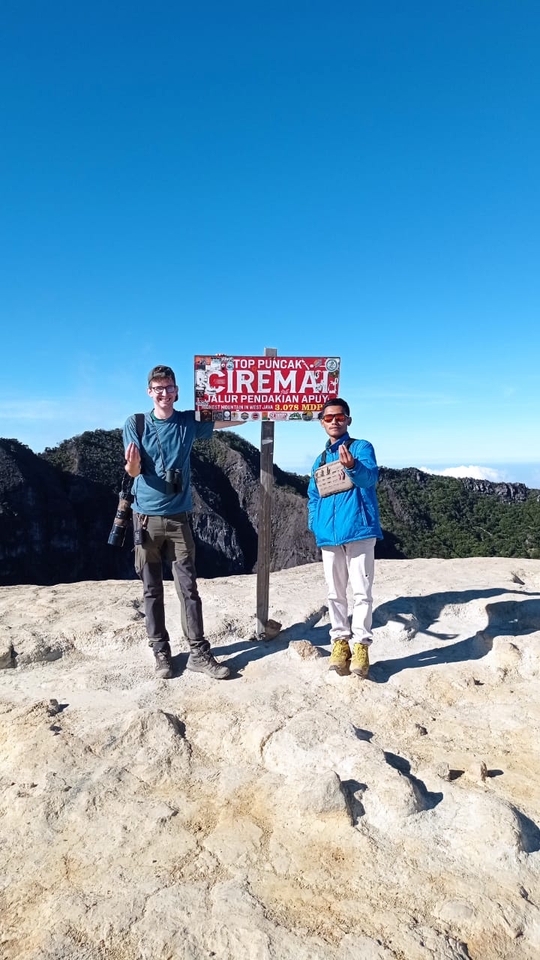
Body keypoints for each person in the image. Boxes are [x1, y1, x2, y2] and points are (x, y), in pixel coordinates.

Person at [123, 364, 237, 680]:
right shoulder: (136, 423)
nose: (163, 393)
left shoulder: (188, 421)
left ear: (176, 390)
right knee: (151, 590)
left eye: (168, 387)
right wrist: (133, 466)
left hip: (178, 519)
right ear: (150, 392)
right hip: (145, 519)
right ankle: (161, 654)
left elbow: (230, 419)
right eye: (157, 388)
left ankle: (198, 653)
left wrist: (259, 407)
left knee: (188, 588)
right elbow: (132, 473)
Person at [307, 398, 382, 678]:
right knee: (335, 592)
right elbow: (313, 495)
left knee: (362, 592)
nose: (334, 422)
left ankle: (361, 645)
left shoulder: (361, 447)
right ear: (322, 423)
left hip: (359, 530)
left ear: (348, 420)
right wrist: (315, 524)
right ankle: (340, 642)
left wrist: (353, 467)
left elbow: (369, 479)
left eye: (339, 417)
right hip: (329, 535)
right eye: (328, 418)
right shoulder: (321, 458)